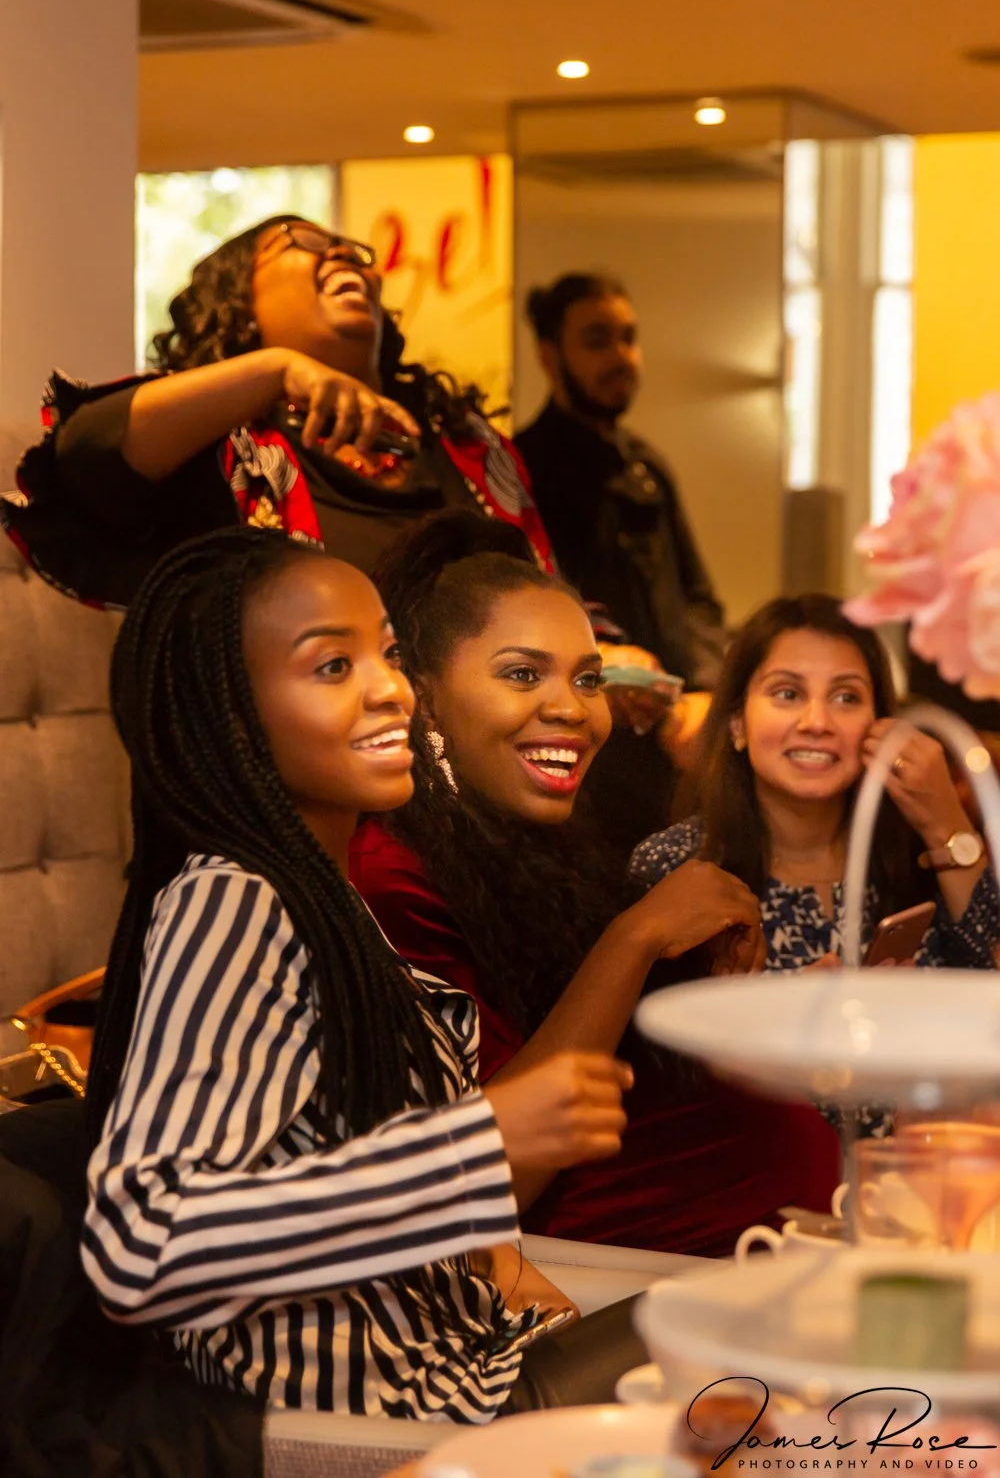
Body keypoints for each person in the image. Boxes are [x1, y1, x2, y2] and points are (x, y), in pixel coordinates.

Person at [81, 524, 646, 1420]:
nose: (391, 690)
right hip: (379, 1416)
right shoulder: (235, 901)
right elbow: (142, 1251)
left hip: (459, 1357)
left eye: (384, 654)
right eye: (332, 667)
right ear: (234, 713)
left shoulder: (322, 893)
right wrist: (478, 1140)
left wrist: (490, 1260)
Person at [351, 513, 841, 1258]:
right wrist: (638, 935)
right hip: (593, 1306)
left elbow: (617, 1062)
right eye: (522, 674)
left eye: (588, 679)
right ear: (422, 692)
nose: (573, 709)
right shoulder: (392, 876)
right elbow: (492, 1175)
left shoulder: (531, 845)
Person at [1, 216, 554, 608]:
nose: (341, 253)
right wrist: (276, 371)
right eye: (306, 240)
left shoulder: (469, 447)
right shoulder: (218, 450)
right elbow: (83, 451)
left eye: (355, 251)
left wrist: (615, 662)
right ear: (238, 300)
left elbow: (549, 601)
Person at [630, 594, 1000, 973]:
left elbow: (985, 974)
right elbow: (647, 1024)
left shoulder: (914, 855)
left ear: (879, 723)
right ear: (737, 723)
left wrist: (945, 821)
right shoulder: (675, 864)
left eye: (846, 697)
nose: (817, 722)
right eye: (788, 694)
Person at [515, 271, 726, 690]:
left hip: (675, 707)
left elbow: (697, 599)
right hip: (583, 703)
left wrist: (710, 687)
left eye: (628, 338)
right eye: (597, 341)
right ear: (549, 356)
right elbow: (519, 610)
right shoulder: (520, 468)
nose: (621, 357)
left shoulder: (647, 466)